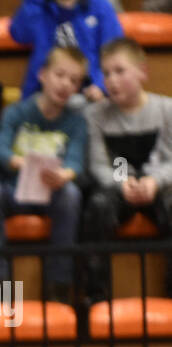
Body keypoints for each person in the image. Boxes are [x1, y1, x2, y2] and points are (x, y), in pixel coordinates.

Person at [0, 45, 88, 302]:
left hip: (52, 192)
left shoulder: (76, 121)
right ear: (42, 74)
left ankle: (58, 287)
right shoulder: (18, 112)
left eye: (74, 80)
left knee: (71, 194)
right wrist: (22, 163)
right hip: (14, 189)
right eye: (60, 75)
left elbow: (76, 160)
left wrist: (65, 175)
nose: (65, 84)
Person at [83, 38, 172, 301]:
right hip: (119, 186)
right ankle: (95, 295)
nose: (111, 80)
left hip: (158, 186)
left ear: (143, 72)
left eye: (120, 71)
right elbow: (98, 163)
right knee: (98, 205)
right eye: (106, 73)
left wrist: (154, 182)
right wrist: (123, 182)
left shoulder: (166, 109)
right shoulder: (95, 114)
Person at [10, 0, 122, 106]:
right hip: (42, 90)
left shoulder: (100, 6)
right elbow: (19, 34)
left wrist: (100, 85)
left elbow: (114, 52)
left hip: (87, 92)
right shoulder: (40, 6)